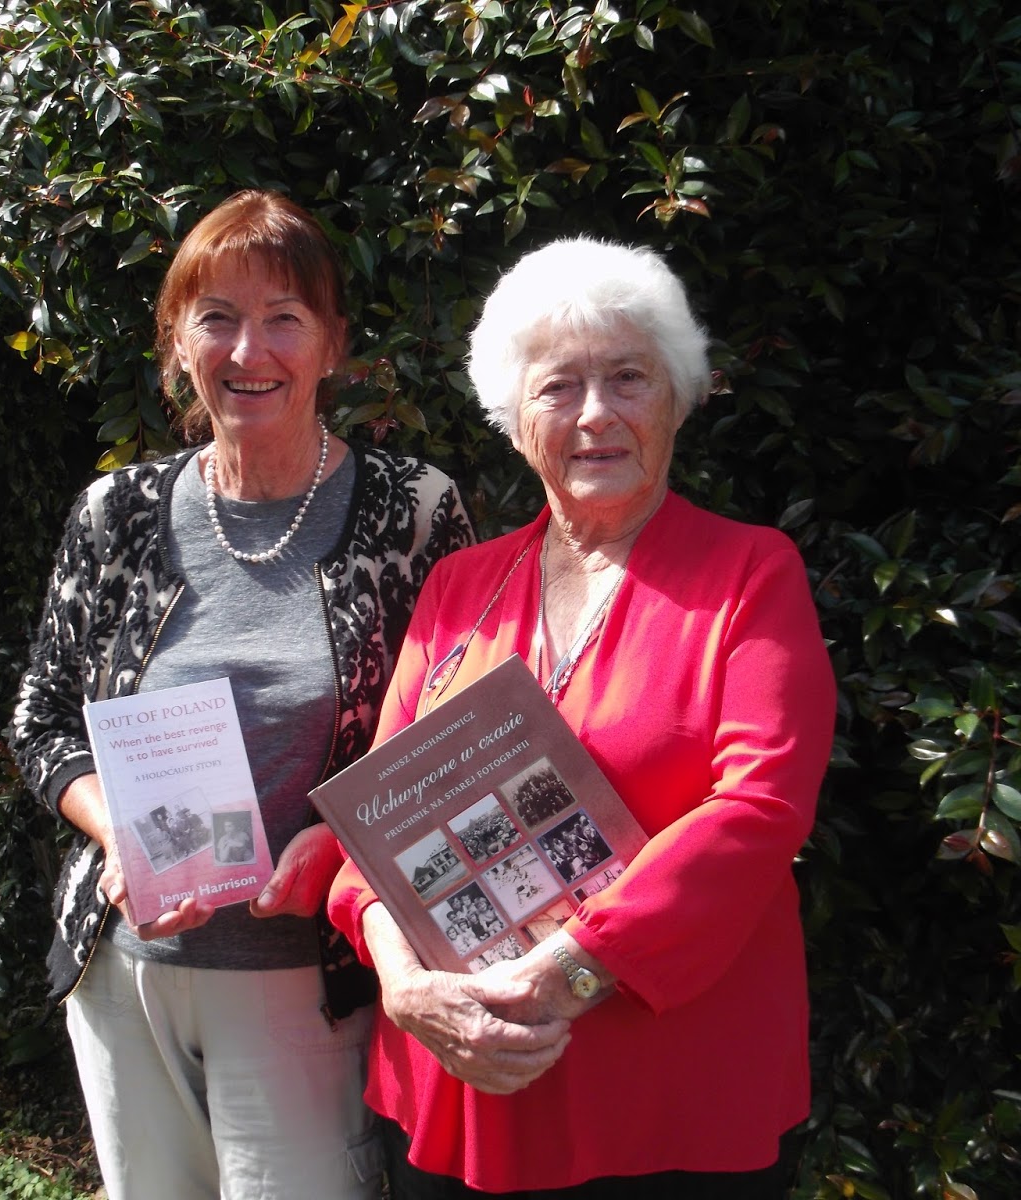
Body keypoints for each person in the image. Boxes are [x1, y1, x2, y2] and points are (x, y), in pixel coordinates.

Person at [328, 236, 837, 1196]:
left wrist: (567, 971)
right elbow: (374, 821)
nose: (595, 413)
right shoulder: (459, 587)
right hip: (456, 1072)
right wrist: (404, 985)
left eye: (628, 378)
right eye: (558, 387)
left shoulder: (750, 575)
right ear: (516, 420)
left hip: (659, 1093)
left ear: (678, 398)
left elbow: (761, 808)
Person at [10, 189, 474, 1200]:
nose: (248, 350)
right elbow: (40, 721)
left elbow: (454, 739)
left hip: (313, 976)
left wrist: (344, 841)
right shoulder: (116, 513)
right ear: (176, 344)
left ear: (333, 344)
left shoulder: (412, 511)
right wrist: (119, 831)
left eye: (284, 318)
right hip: (127, 972)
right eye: (215, 317)